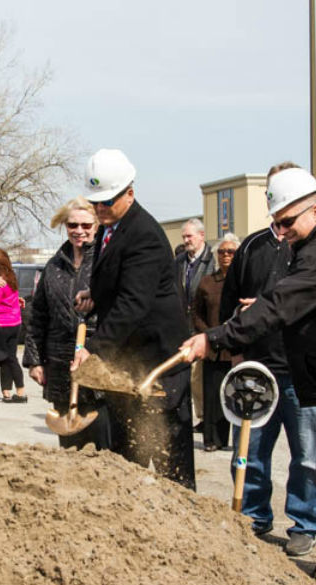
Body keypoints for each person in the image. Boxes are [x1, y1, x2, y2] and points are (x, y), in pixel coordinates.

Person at [182, 166, 316, 576]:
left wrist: (215, 338)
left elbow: (281, 304)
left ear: (315, 210)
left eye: (288, 222)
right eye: (276, 223)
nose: (281, 232)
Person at [214, 161, 316, 556]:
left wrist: (265, 306)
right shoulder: (252, 247)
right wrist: (234, 352)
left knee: (307, 456)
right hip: (257, 368)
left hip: (301, 370)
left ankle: (305, 523)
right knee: (249, 453)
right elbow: (230, 304)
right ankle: (254, 516)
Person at [71, 148, 195, 489]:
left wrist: (93, 350)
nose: (99, 209)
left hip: (159, 365)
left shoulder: (144, 236)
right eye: (95, 202)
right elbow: (116, 281)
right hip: (128, 366)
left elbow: (133, 303)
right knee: (128, 459)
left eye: (107, 202)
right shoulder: (112, 229)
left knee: (170, 463)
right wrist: (94, 296)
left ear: (129, 192)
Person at [24, 197, 110, 450]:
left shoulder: (105, 262)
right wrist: (34, 359)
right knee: (70, 447)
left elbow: (123, 307)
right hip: (60, 363)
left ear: (96, 226)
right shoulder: (54, 266)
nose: (79, 231)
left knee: (102, 443)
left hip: (96, 360)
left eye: (86, 225)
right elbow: (38, 315)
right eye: (73, 225)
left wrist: (98, 298)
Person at [191, 233, 236, 452]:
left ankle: (236, 440)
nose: (226, 256)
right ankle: (211, 439)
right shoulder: (207, 283)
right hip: (212, 348)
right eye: (221, 252)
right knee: (212, 395)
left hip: (236, 349)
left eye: (231, 252)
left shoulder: (242, 283)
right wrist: (208, 335)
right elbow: (197, 313)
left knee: (235, 395)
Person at [175, 218, 215, 427]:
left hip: (204, 327)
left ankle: (204, 417)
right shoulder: (179, 262)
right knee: (186, 376)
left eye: (189, 236)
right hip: (183, 326)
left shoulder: (212, 262)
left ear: (201, 236)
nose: (186, 240)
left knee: (199, 379)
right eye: (184, 237)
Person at [0, 248, 27, 404]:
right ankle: (16, 392)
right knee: (10, 358)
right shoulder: (11, 277)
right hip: (15, 323)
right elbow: (12, 298)